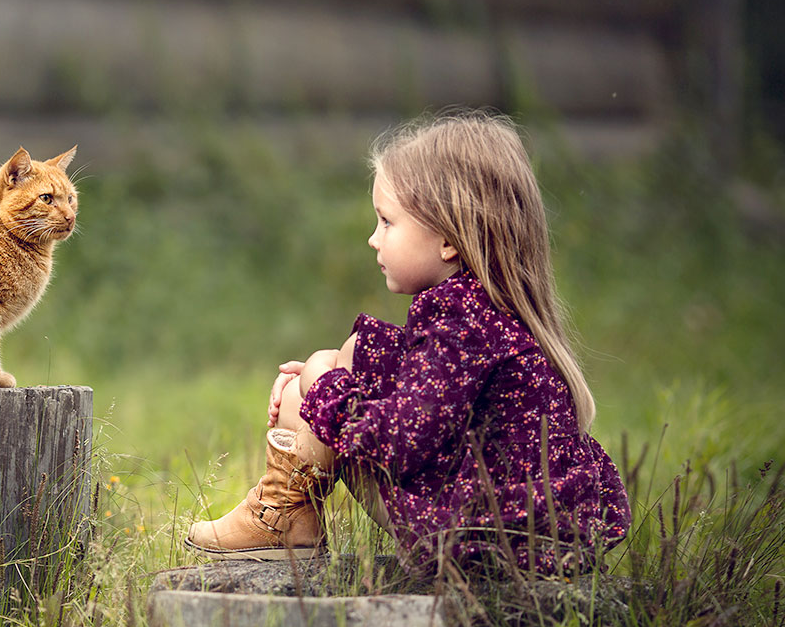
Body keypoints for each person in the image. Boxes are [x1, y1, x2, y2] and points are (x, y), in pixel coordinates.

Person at [185, 111, 631, 575]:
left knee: (326, 375)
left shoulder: (460, 321)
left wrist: (324, 391)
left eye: (387, 222)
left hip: (482, 545)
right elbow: (419, 397)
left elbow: (402, 441)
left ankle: (281, 517)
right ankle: (288, 516)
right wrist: (327, 377)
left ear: (447, 240)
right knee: (351, 353)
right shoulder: (488, 312)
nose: (373, 239)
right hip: (526, 537)